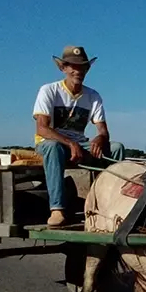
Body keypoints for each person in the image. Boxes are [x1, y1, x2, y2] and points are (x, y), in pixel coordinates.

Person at [32, 45, 126, 226]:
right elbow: (42, 129)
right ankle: (57, 209)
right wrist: (70, 143)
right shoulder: (49, 90)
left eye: (82, 67)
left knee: (116, 148)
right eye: (73, 66)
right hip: (51, 144)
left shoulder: (93, 95)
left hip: (79, 145)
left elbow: (103, 130)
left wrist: (100, 138)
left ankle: (115, 203)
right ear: (63, 68)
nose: (78, 71)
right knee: (53, 147)